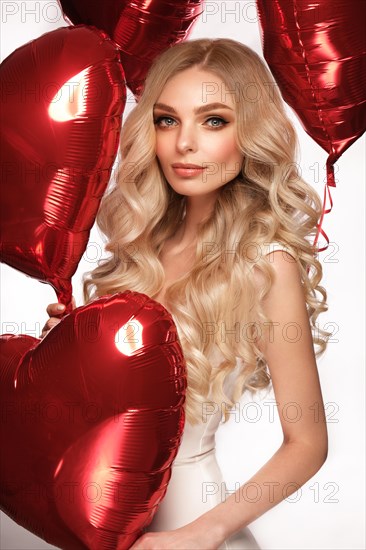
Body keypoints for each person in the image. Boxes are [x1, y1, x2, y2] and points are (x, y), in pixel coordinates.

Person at [42, 38, 330, 550]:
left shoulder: (266, 264)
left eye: (214, 120)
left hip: (191, 531)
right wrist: (62, 356)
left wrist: (199, 536)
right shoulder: (140, 249)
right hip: (99, 528)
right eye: (167, 120)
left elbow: (307, 445)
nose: (184, 144)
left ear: (251, 134)